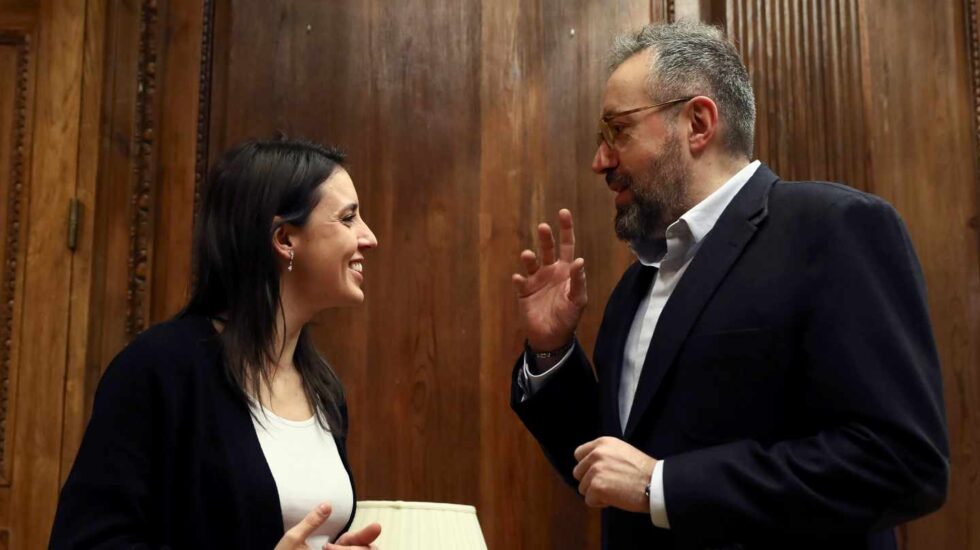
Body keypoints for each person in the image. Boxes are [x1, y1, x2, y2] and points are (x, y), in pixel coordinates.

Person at [510, 21, 949, 549]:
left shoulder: (833, 229)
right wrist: (552, 352)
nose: (600, 160)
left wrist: (661, 484)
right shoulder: (635, 287)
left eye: (618, 131)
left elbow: (899, 462)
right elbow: (606, 472)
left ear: (698, 123)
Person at [51, 138, 382, 549]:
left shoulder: (324, 389)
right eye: (348, 219)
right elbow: (85, 542)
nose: (369, 237)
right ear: (284, 239)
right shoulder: (158, 368)